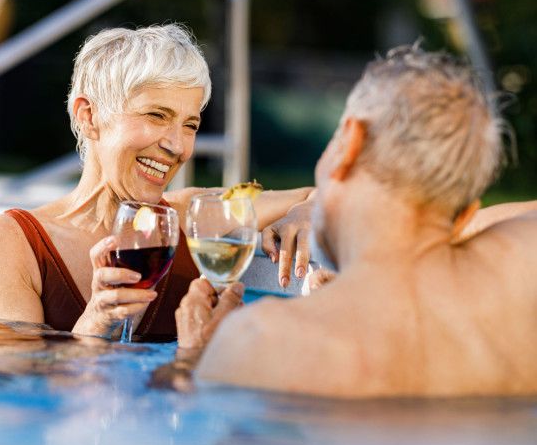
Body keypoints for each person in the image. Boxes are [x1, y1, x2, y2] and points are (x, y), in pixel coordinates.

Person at [176, 45, 537, 397]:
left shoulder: (263, 339)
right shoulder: (523, 275)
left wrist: (192, 357)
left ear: (350, 141)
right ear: (465, 215)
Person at [0, 24, 315, 341]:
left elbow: (323, 193)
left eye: (190, 125)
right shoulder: (13, 240)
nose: (177, 146)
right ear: (88, 116)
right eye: (156, 116)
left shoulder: (194, 214)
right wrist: (97, 319)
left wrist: (305, 214)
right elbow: (10, 388)